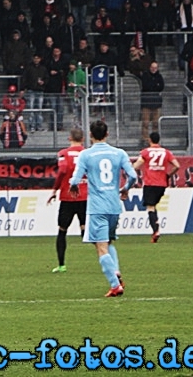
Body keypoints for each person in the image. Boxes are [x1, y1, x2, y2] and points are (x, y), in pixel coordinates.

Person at [69, 120, 138, 298]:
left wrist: (73, 186)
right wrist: (125, 189)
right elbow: (133, 175)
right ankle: (115, 272)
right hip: (114, 206)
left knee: (100, 247)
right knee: (107, 242)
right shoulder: (119, 153)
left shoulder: (86, 155)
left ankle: (115, 285)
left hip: (97, 207)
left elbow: (75, 179)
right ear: (107, 134)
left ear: (90, 135)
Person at [47, 127, 87, 274]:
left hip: (68, 197)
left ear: (69, 138)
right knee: (86, 229)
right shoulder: (87, 153)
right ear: (83, 139)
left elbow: (62, 171)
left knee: (62, 231)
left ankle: (62, 265)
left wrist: (54, 190)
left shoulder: (63, 154)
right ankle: (105, 257)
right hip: (84, 196)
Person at [132, 132, 180, 243]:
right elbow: (177, 165)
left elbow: (136, 165)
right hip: (162, 184)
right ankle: (156, 226)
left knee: (150, 207)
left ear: (150, 140)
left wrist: (131, 169)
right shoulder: (166, 152)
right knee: (153, 206)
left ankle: (155, 231)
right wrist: (168, 175)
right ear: (159, 140)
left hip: (150, 183)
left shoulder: (146, 152)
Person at [139, 61, 164, 147]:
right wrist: (155, 86)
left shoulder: (159, 76)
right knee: (145, 122)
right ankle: (145, 139)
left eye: (155, 68)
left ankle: (155, 139)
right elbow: (146, 86)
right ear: (150, 67)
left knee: (155, 123)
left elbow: (161, 87)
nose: (154, 69)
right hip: (146, 102)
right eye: (152, 67)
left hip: (156, 103)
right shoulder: (145, 76)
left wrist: (154, 87)